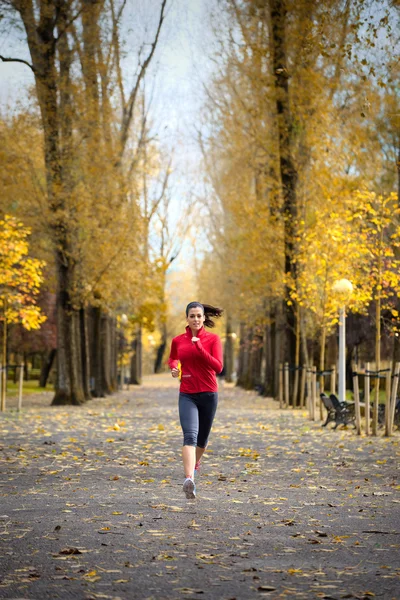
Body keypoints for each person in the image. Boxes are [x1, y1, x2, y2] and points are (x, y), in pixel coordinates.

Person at [168, 302, 224, 499]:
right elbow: (173, 358)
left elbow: (218, 367)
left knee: (202, 440)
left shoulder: (213, 340)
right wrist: (174, 368)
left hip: (209, 393)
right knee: (189, 436)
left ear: (203, 318)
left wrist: (199, 347)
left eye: (199, 316)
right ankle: (189, 479)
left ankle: (195, 463)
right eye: (192, 316)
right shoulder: (178, 340)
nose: (196, 319)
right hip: (187, 393)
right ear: (187, 318)